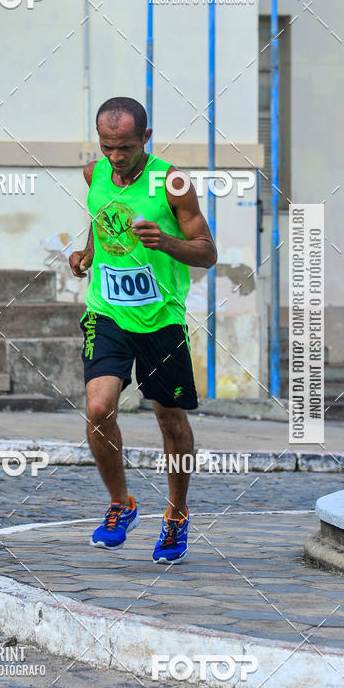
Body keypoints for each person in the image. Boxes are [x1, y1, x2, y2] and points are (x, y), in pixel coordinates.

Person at [69, 97, 217, 563]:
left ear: (146, 139)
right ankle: (121, 504)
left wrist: (167, 242)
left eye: (126, 148)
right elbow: (100, 216)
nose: (115, 157)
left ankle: (176, 513)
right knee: (98, 407)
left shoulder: (171, 182)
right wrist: (87, 252)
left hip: (160, 319)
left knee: (170, 419)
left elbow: (207, 252)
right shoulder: (93, 174)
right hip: (107, 311)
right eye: (107, 146)